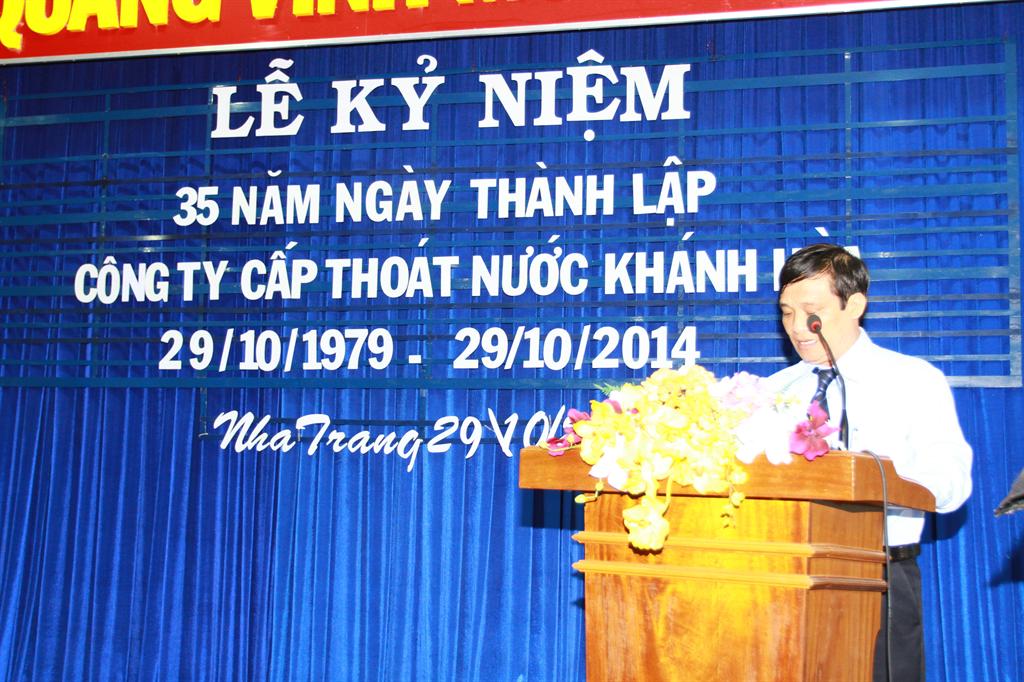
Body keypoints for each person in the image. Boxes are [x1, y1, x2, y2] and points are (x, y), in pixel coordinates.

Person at [766, 243, 973, 682]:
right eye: (786, 313)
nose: (797, 328)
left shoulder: (914, 380)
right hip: (785, 574)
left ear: (855, 305)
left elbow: (952, 484)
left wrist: (875, 478)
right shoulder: (774, 391)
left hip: (882, 578)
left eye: (812, 313)